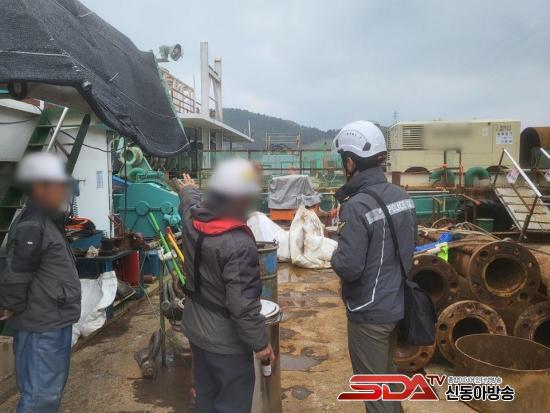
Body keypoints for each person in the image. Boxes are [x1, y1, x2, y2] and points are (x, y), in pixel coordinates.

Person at [174, 158, 275, 413]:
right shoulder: (238, 242)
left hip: (196, 329)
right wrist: (261, 344)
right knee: (232, 403)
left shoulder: (192, 218)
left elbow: (188, 201)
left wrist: (188, 189)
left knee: (206, 397)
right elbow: (242, 305)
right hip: (226, 342)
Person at [330, 121, 417, 413]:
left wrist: (333, 253)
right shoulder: (403, 198)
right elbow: (407, 248)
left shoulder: (357, 206)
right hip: (397, 304)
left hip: (369, 313)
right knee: (387, 380)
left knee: (375, 392)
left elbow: (349, 267)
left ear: (351, 162)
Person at [0, 152, 81, 413]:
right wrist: (11, 304)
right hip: (42, 326)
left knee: (46, 392)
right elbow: (18, 270)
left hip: (52, 319)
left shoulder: (47, 220)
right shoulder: (33, 224)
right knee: (40, 397)